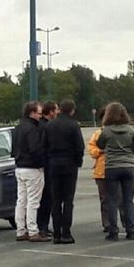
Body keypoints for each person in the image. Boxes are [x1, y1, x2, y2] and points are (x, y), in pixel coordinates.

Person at [96, 102, 134, 241]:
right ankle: (130, 229)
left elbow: (100, 144)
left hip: (112, 167)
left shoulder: (107, 131)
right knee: (128, 200)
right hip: (128, 166)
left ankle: (113, 231)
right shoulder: (131, 130)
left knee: (112, 200)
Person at [45, 100, 84, 244]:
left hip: (53, 164)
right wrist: (78, 162)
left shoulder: (50, 125)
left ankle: (56, 233)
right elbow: (79, 147)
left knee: (56, 200)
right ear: (72, 111)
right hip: (69, 164)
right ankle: (66, 233)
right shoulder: (74, 125)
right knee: (68, 200)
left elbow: (44, 145)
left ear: (60, 110)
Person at [11, 101, 50, 242]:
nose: (40, 116)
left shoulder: (18, 128)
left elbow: (13, 149)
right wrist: (43, 163)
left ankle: (21, 230)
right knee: (33, 201)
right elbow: (35, 149)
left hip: (20, 167)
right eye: (39, 113)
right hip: (33, 168)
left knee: (21, 200)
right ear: (32, 113)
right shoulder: (33, 129)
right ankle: (33, 231)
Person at [87, 107, 127, 234]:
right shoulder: (98, 134)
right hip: (101, 171)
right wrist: (100, 151)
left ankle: (126, 223)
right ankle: (108, 224)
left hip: (117, 168)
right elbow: (92, 151)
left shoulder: (122, 131)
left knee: (121, 199)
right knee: (105, 200)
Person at [36, 100, 60, 238]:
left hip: (46, 166)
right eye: (56, 110)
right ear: (50, 111)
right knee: (45, 198)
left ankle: (43, 225)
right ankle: (42, 226)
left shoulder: (43, 125)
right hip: (46, 166)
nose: (57, 112)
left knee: (47, 198)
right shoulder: (44, 126)